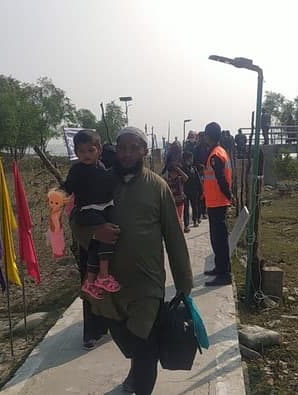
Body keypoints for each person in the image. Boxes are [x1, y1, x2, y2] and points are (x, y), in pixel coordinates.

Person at [72, 126, 193, 395]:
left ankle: (140, 384)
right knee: (124, 336)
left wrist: (184, 281)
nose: (126, 153)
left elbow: (174, 235)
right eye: (122, 147)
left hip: (146, 283)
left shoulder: (157, 187)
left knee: (145, 344)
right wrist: (94, 231)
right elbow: (75, 221)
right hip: (109, 282)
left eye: (133, 148)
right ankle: (136, 372)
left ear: (144, 151)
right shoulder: (98, 181)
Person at [63, 130, 120, 300]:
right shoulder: (77, 170)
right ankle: (103, 275)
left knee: (95, 246)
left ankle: (90, 281)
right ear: (76, 152)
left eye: (90, 150)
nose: (86, 155)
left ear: (99, 150)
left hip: (100, 208)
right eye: (81, 151)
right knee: (108, 235)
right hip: (88, 211)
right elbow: (68, 188)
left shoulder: (100, 166)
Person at [202, 122, 233, 287]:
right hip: (215, 202)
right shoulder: (219, 151)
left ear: (208, 136)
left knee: (220, 239)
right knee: (217, 238)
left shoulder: (215, 155)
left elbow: (221, 179)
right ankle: (220, 267)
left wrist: (229, 196)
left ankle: (224, 273)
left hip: (218, 202)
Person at [182, 151, 203, 232]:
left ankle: (195, 220)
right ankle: (186, 225)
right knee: (186, 208)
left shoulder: (193, 168)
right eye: (190, 158)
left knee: (195, 206)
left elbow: (198, 180)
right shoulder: (182, 168)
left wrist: (201, 191)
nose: (191, 160)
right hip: (185, 191)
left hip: (194, 191)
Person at [165, 162, 189, 228]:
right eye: (171, 173)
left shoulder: (179, 179)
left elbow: (186, 178)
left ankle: (180, 232)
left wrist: (178, 169)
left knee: (179, 219)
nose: (173, 174)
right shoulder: (167, 181)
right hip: (171, 202)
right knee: (172, 219)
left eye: (174, 172)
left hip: (180, 202)